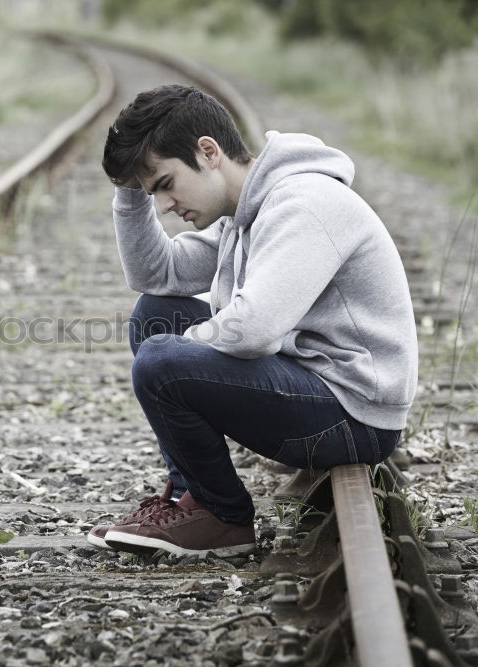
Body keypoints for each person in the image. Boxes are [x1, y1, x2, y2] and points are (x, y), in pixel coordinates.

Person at [86, 84, 418, 557]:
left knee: (163, 357)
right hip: (317, 388)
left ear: (208, 151)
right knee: (157, 315)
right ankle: (190, 497)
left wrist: (177, 355)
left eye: (164, 185)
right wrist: (130, 193)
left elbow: (255, 329)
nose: (164, 205)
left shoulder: (302, 204)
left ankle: (221, 517)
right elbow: (156, 276)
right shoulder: (243, 214)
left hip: (354, 415)